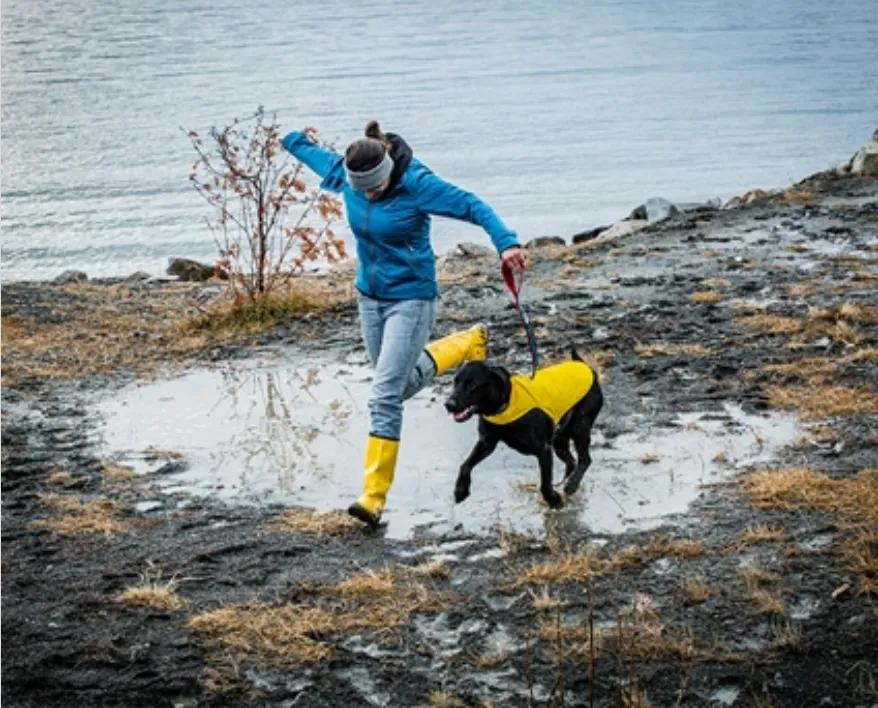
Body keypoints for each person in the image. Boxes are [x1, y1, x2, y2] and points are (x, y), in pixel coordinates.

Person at [281, 120, 527, 528]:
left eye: (377, 187)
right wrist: (290, 140)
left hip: (411, 299)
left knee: (382, 396)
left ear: (389, 170)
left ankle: (373, 498)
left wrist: (507, 244)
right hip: (369, 298)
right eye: (364, 190)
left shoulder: (417, 183)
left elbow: (473, 205)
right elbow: (311, 155)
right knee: (397, 385)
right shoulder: (347, 175)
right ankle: (465, 345)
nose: (371, 194)